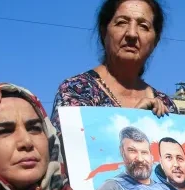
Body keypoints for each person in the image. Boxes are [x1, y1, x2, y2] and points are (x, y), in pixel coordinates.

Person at [50, 0, 177, 133]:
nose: (132, 34)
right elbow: (72, 148)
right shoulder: (76, 90)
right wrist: (135, 120)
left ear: (155, 41)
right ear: (104, 31)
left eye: (143, 26)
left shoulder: (166, 105)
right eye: (122, 23)